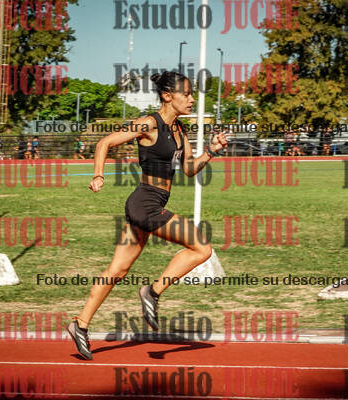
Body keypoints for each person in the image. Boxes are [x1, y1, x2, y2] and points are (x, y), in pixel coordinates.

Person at [66, 71, 228, 360]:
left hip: (148, 205)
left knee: (117, 271)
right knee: (201, 247)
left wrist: (211, 151)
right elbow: (105, 143)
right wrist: (99, 175)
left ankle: (80, 324)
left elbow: (189, 169)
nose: (192, 99)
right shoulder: (149, 123)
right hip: (145, 204)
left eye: (192, 94)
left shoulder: (180, 131)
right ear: (167, 96)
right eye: (186, 94)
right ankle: (152, 292)